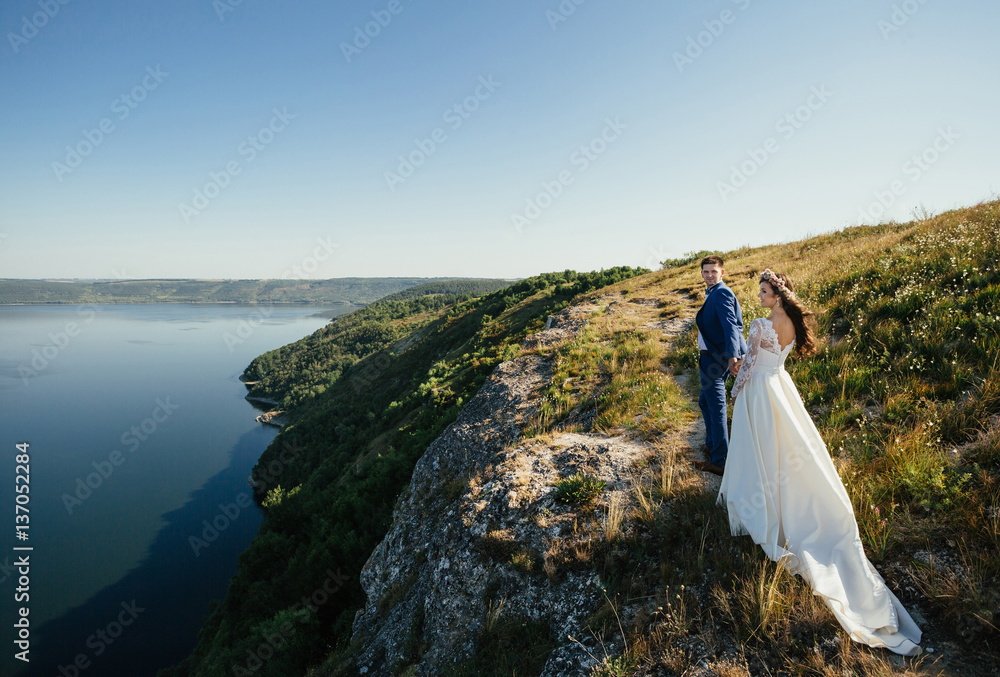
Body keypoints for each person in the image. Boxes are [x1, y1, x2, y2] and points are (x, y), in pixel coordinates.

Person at [718, 269, 922, 656]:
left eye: (763, 291)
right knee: (787, 453)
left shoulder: (762, 323)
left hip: (761, 394)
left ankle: (762, 508)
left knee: (761, 451)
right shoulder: (792, 322)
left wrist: (734, 376)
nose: (758, 297)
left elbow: (747, 369)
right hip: (781, 388)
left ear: (776, 295)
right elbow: (774, 360)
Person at [693, 255, 748, 476]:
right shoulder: (713, 292)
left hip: (716, 359)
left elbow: (731, 327)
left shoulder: (722, 292)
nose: (709, 275)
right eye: (705, 272)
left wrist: (732, 357)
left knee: (716, 408)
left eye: (713, 272)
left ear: (722, 273)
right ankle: (714, 444)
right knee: (705, 402)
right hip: (713, 356)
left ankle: (720, 460)